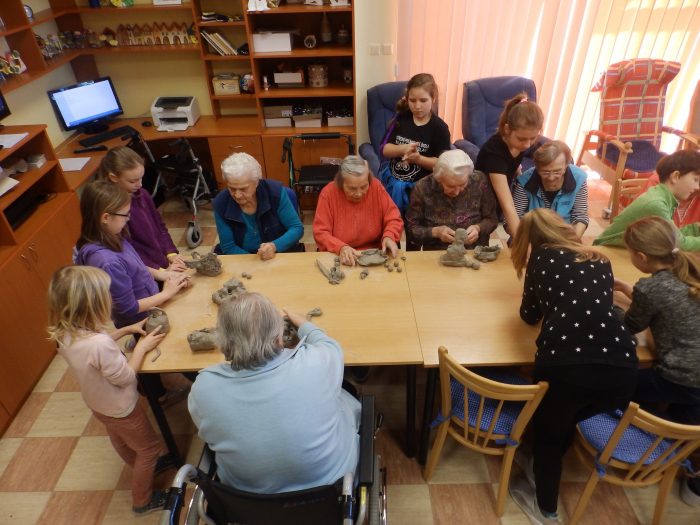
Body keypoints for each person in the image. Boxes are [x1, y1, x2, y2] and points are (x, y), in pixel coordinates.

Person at [509, 208, 638, 524]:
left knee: (549, 436)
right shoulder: (599, 258)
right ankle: (556, 444)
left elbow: (528, 315)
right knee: (572, 413)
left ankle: (546, 510)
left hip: (566, 365)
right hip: (622, 365)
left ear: (530, 239)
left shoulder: (541, 258)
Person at [188, 292, 361, 493]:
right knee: (344, 393)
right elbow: (329, 345)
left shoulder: (203, 388)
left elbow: (209, 431)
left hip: (246, 500)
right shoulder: (314, 362)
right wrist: (304, 323)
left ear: (223, 342)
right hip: (333, 488)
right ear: (279, 338)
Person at [47, 265, 168, 514]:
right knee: (149, 449)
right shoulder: (100, 344)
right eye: (106, 296)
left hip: (99, 405)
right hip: (121, 407)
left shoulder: (65, 333)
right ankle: (142, 500)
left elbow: (91, 348)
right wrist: (142, 348)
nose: (111, 300)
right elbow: (125, 377)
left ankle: (139, 467)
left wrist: (124, 330)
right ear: (92, 305)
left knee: (121, 440)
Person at [74, 181, 191, 405]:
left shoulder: (112, 234)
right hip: (137, 316)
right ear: (105, 217)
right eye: (125, 214)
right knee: (147, 349)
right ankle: (157, 394)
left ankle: (153, 384)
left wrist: (163, 275)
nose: (129, 219)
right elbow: (128, 307)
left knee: (148, 343)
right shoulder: (106, 261)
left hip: (148, 302)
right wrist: (166, 294)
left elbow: (135, 265)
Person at [613, 216, 700, 425]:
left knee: (613, 385)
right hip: (695, 381)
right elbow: (666, 303)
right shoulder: (691, 270)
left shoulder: (650, 288)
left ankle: (649, 427)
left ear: (641, 257)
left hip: (680, 378)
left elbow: (629, 326)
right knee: (684, 423)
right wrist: (628, 289)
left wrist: (612, 307)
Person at [98, 146, 186, 272]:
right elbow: (128, 252)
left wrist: (170, 252)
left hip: (161, 264)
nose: (140, 184)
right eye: (133, 181)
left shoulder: (142, 194)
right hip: (146, 270)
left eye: (141, 178)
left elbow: (159, 226)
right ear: (113, 177)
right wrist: (160, 271)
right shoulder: (114, 210)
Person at [594, 149, 700, 250]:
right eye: (696, 180)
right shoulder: (657, 204)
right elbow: (678, 243)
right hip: (608, 250)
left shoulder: (662, 196)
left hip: (629, 249)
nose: (697, 187)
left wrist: (696, 228)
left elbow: (672, 234)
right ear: (675, 176)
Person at [380, 73, 452, 211]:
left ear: (433, 98)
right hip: (393, 184)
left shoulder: (440, 128)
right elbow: (384, 149)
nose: (417, 106)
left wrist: (418, 159)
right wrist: (402, 149)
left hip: (422, 190)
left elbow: (442, 164)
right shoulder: (400, 118)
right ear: (407, 99)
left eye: (423, 100)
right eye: (412, 101)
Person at [475, 93, 545, 236]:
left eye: (533, 138)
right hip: (480, 203)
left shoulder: (518, 143)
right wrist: (521, 241)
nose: (527, 145)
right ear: (507, 129)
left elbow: (512, 163)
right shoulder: (494, 153)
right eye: (522, 139)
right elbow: (507, 205)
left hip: (496, 199)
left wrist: (517, 171)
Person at [313, 155, 403, 266]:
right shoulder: (328, 194)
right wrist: (340, 247)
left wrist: (389, 236)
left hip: (374, 253)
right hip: (340, 255)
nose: (359, 193)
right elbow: (320, 232)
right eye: (352, 188)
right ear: (341, 183)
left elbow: (394, 218)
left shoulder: (376, 186)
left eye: (364, 187)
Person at [213, 152, 304, 259]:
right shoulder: (221, 203)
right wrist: (255, 261)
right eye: (232, 188)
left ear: (256, 182)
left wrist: (274, 246)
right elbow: (228, 247)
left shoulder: (275, 193)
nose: (237, 195)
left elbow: (296, 228)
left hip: (279, 254)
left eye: (243, 189)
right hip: (241, 258)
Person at [405, 148, 497, 250]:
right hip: (438, 254)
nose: (457, 192)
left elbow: (492, 220)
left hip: (474, 251)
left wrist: (478, 228)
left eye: (462, 185)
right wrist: (435, 232)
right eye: (450, 186)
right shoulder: (423, 187)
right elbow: (411, 229)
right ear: (438, 178)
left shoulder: (479, 180)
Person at [512, 140, 589, 238]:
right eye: (545, 172)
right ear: (537, 167)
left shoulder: (578, 178)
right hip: (530, 235)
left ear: (566, 166)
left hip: (564, 235)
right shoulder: (525, 181)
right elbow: (514, 218)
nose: (551, 178)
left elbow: (580, 217)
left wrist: (571, 242)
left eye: (557, 172)